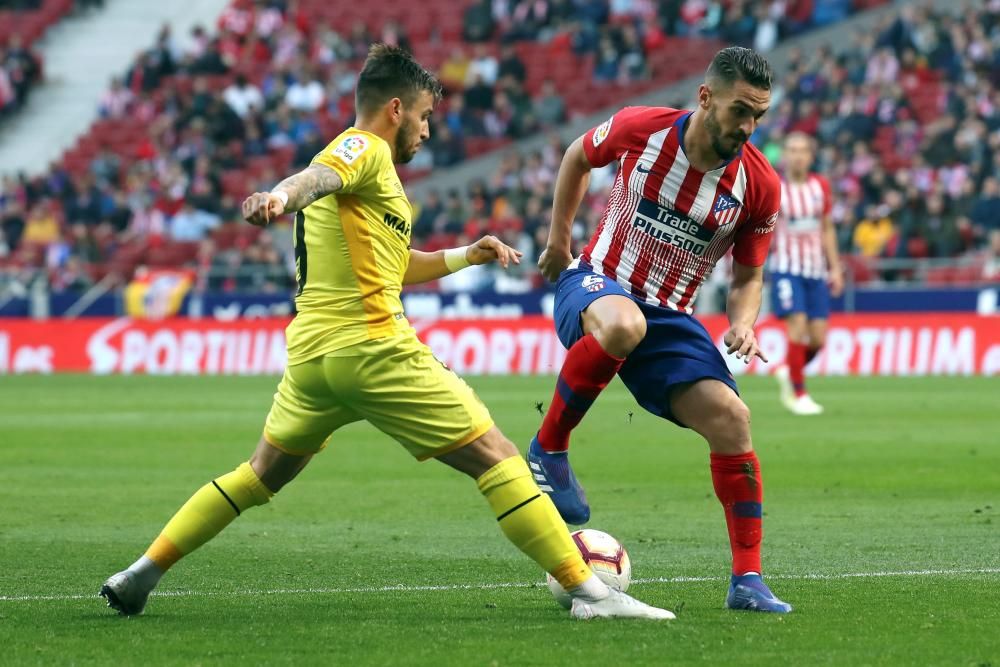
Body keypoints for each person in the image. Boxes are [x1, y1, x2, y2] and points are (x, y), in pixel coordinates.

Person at [100, 44, 671, 622]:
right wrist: (279, 196)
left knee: (257, 476)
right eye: (424, 116)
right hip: (374, 348)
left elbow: (393, 264)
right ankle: (590, 593)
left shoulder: (377, 184)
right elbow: (315, 176)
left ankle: (142, 573)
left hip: (312, 363)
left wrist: (465, 255)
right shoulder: (364, 148)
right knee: (498, 457)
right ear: (395, 109)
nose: (426, 130)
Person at [527, 46, 792, 613]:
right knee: (625, 323)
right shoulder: (640, 129)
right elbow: (577, 155)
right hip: (598, 284)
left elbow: (749, 275)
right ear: (705, 97)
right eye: (740, 110)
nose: (747, 127)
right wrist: (558, 240)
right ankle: (548, 449)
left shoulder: (759, 186)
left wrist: (744, 322)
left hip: (671, 316)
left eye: (758, 116)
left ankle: (747, 581)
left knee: (733, 419)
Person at [770, 132, 843, 415]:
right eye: (792, 150)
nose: (797, 155)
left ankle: (789, 369)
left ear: (810, 156)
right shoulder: (775, 187)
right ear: (784, 155)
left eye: (803, 150)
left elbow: (827, 227)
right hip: (787, 269)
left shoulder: (820, 186)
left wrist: (835, 267)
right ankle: (799, 393)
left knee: (818, 339)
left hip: (816, 271)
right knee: (797, 325)